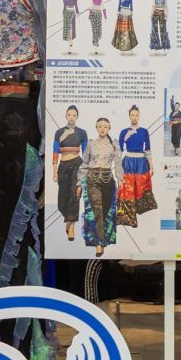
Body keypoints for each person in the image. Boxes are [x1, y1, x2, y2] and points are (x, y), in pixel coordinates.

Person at [82, 117, 119, 254]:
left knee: (106, 211)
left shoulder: (114, 144)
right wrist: (79, 183)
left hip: (108, 179)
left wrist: (121, 179)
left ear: (109, 128)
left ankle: (103, 239)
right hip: (92, 178)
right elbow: (84, 163)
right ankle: (99, 244)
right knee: (96, 211)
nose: (102, 129)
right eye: (100, 126)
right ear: (96, 128)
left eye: (105, 126)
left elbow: (118, 163)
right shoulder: (91, 143)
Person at [52, 104, 85, 242]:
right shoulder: (59, 132)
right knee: (62, 198)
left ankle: (71, 226)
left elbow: (86, 154)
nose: (71, 117)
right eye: (69, 115)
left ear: (77, 117)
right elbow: (55, 151)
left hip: (77, 164)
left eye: (74, 115)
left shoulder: (82, 133)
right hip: (63, 166)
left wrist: (84, 172)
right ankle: (68, 219)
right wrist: (54, 171)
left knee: (74, 194)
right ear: (66, 116)